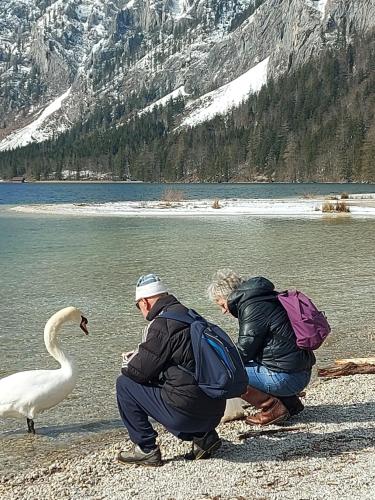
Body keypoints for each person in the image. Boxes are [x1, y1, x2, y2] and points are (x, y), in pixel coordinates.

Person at [116, 274, 225, 466]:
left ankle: (145, 448)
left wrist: (128, 361)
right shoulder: (190, 314)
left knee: (124, 383)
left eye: (137, 305)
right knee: (177, 380)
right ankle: (205, 437)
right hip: (215, 411)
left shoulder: (161, 324)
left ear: (145, 302)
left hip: (188, 415)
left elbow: (137, 372)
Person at [208, 269, 316, 426]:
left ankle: (272, 408)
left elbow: (244, 351)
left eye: (222, 304)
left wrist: (216, 359)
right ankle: (290, 404)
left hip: (288, 378)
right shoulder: (264, 296)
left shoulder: (252, 307)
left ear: (228, 296)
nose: (224, 311)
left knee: (225, 371)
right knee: (238, 363)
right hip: (301, 371)